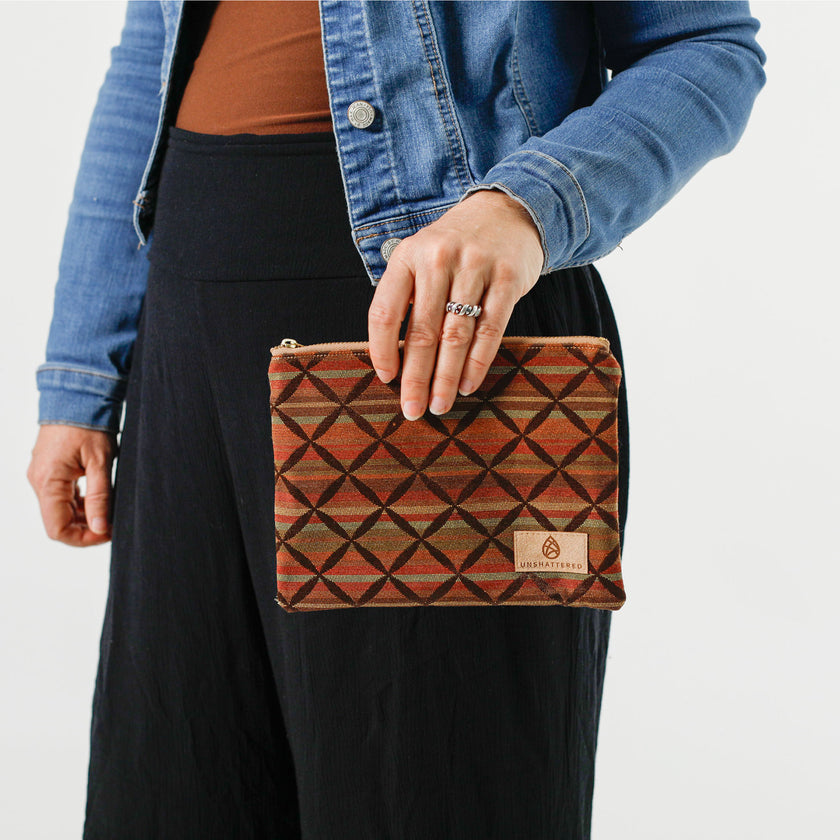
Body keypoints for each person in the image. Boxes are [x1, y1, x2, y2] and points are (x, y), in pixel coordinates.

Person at [26, 1, 766, 837]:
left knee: (436, 793)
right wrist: (84, 369)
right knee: (176, 789)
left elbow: (704, 46)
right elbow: (148, 54)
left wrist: (525, 206)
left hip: (443, 334)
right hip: (187, 326)